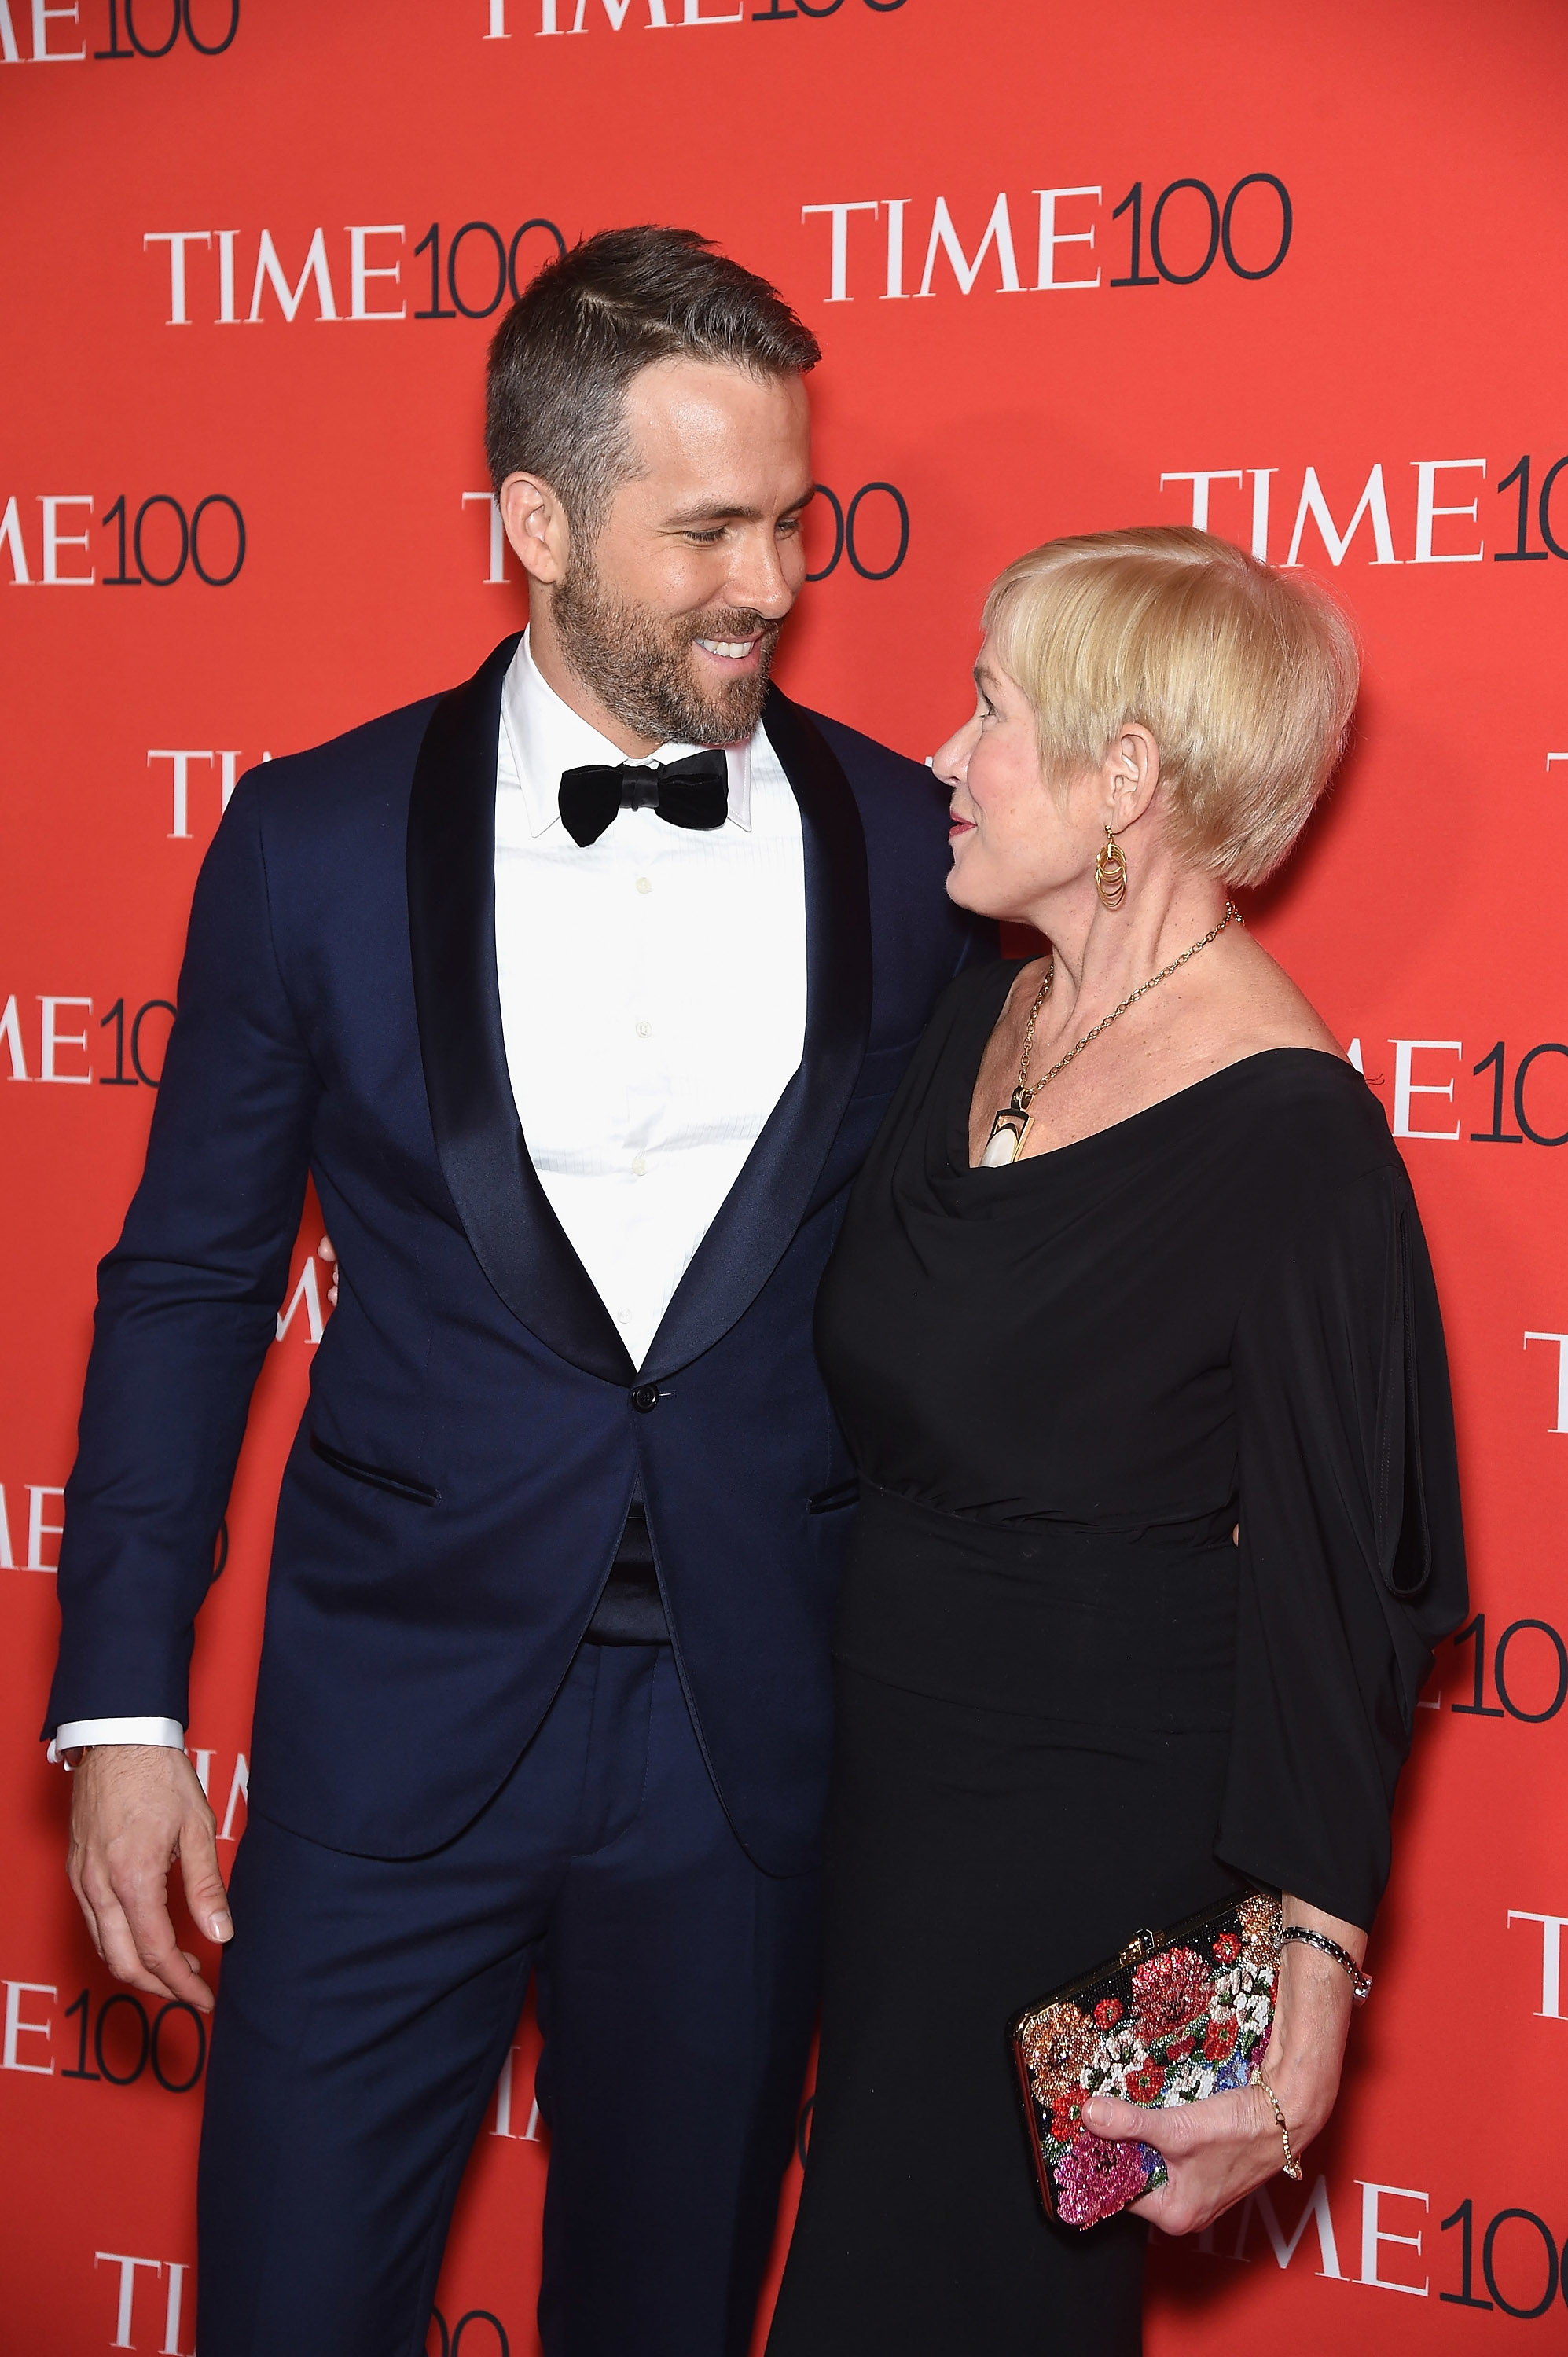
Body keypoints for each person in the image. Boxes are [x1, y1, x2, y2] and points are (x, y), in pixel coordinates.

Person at [44, 226, 989, 2357]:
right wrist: (121, 1706)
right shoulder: (307, 840)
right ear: (534, 522)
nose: (768, 578)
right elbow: (190, 1280)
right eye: (707, 528)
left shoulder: (913, 851)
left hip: (753, 1743)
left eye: (789, 519)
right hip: (390, 1728)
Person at [766, 526, 1468, 2355]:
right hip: (863, 1793)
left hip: (1071, 1855)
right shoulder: (984, 1008)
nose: (938, 753)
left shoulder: (1291, 1144)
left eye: (986, 708)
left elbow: (1347, 1593)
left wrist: (1305, 2001)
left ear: (1121, 780)